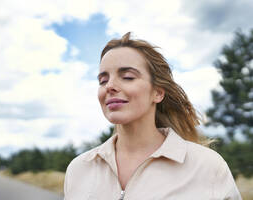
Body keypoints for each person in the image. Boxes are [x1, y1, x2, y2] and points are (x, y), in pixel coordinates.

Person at [64, 32, 242, 199]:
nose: (109, 86)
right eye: (103, 80)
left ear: (157, 93)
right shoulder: (79, 169)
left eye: (127, 77)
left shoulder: (208, 166)